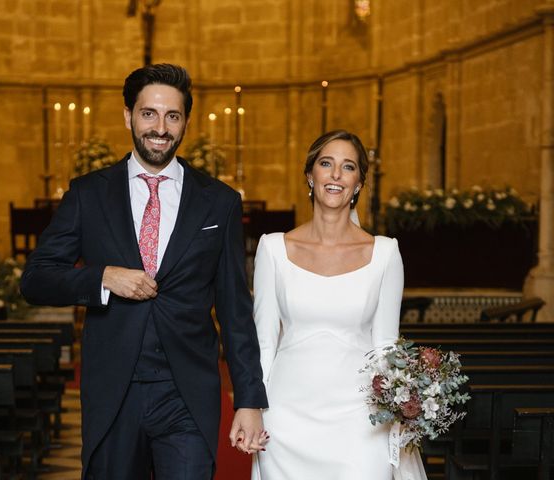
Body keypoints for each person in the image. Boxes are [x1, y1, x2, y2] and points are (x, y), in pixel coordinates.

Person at [21, 63, 268, 480]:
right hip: (113, 392)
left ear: (186, 122)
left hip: (187, 394)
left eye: (172, 116)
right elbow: (36, 279)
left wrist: (248, 400)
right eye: (149, 113)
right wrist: (101, 277)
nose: (160, 127)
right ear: (128, 117)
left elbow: (235, 310)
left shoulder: (219, 202)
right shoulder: (88, 193)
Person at [251, 130, 404, 479]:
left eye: (348, 167)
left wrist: (398, 411)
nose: (336, 175)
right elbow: (263, 342)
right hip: (287, 417)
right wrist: (253, 407)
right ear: (310, 175)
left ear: (359, 182)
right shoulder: (272, 249)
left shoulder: (385, 253)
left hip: (361, 418)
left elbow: (386, 347)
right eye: (326, 163)